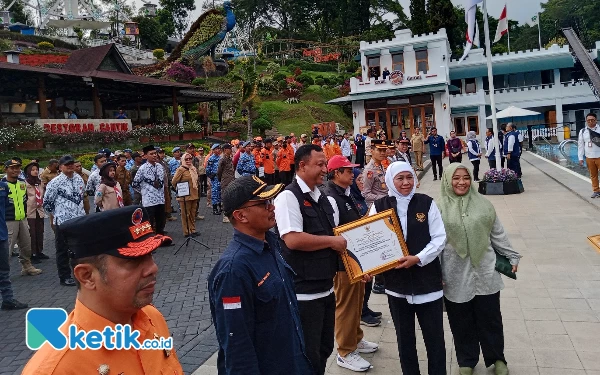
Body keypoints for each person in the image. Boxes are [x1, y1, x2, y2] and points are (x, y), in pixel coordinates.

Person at [21, 205, 183, 374]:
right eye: (134, 261)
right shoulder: (57, 368)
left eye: (151, 255)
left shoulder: (152, 318)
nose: (153, 268)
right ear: (87, 276)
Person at [209, 176, 312, 374]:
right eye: (263, 203)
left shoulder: (271, 245)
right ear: (241, 216)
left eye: (270, 201)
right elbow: (236, 344)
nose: (272, 207)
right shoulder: (233, 270)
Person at [439, 163, 521, 375]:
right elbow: (434, 245)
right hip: (454, 272)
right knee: (460, 319)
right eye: (456, 178)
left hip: (485, 270)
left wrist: (512, 255)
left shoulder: (483, 204)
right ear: (447, 180)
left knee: (490, 317)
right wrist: (436, 273)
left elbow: (497, 234)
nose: (461, 182)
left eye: (466, 177)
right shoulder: (438, 208)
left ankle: (497, 358)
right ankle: (467, 360)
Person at [367, 161, 447, 375]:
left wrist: (418, 258)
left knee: (435, 340)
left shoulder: (426, 203)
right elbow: (370, 241)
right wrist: (367, 267)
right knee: (405, 341)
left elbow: (439, 238)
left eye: (409, 177)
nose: (405, 183)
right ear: (390, 181)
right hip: (396, 286)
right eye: (400, 178)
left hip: (427, 283)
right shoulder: (379, 206)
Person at [274, 144, 348, 375]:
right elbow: (292, 239)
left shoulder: (322, 197)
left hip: (326, 288)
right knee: (308, 353)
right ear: (302, 165)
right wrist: (330, 242)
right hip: (304, 293)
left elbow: (337, 235)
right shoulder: (288, 197)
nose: (325, 169)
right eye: (320, 164)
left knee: (324, 348)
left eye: (325, 164)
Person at [323, 155, 379, 372]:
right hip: (342, 262)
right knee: (346, 306)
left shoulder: (345, 194)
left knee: (357, 301)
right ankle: (345, 351)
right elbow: (334, 234)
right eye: (348, 171)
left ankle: (356, 338)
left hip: (355, 259)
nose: (353, 174)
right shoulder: (330, 197)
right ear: (336, 173)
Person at [43, 155, 86, 286]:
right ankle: (64, 276)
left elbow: (82, 196)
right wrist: (59, 213)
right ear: (60, 167)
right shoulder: (55, 182)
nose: (70, 166)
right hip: (63, 222)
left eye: (71, 163)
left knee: (79, 249)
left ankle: (80, 274)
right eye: (67, 164)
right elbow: (47, 203)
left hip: (79, 220)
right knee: (62, 250)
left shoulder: (78, 178)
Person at [2, 159, 43, 276]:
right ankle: (4, 272)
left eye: (17, 168)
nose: (16, 170)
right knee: (8, 247)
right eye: (12, 168)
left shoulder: (22, 183)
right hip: (8, 220)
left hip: (23, 218)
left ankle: (27, 266)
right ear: (6, 169)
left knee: (26, 245)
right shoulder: (2, 185)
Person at [0, 177, 28, 310]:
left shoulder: (3, 187)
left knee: (4, 270)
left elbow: (5, 208)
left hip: (2, 234)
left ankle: (8, 300)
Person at [132, 146, 166, 235]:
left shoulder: (159, 166)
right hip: (149, 200)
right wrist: (145, 191)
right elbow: (135, 184)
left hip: (160, 198)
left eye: (155, 153)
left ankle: (160, 238)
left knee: (161, 220)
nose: (154, 155)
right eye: (151, 154)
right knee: (149, 221)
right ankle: (150, 240)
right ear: (145, 156)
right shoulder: (142, 168)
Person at [24, 162, 49, 263]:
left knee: (40, 231)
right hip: (30, 211)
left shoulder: (40, 182)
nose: (35, 171)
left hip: (39, 210)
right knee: (32, 233)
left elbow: (43, 194)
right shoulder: (25, 183)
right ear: (28, 172)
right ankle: (32, 253)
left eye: (36, 169)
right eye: (33, 170)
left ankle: (39, 251)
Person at [172, 153, 200, 237]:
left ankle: (193, 229)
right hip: (185, 196)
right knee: (185, 214)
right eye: (186, 159)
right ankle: (186, 231)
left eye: (190, 159)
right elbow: (174, 181)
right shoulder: (181, 169)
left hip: (194, 194)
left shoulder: (193, 168)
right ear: (183, 160)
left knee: (192, 213)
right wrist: (180, 189)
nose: (188, 160)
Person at [578, 113, 600, 198]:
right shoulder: (583, 131)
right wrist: (580, 157)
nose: (590, 122)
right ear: (586, 121)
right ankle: (596, 191)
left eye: (592, 120)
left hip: (599, 155)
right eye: (588, 120)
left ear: (596, 120)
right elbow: (581, 145)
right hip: (589, 157)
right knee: (593, 175)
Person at [217, 144, 235, 223]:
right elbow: (219, 171)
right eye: (229, 148)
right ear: (225, 150)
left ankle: (230, 213)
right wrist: (221, 179)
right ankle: (225, 215)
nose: (231, 150)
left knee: (231, 197)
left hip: (231, 180)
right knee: (225, 197)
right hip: (225, 181)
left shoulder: (229, 158)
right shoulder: (223, 159)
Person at [206, 144, 223, 215]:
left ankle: (220, 206)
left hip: (220, 178)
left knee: (219, 192)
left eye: (219, 149)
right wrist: (211, 176)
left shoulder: (220, 157)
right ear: (213, 150)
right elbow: (207, 170)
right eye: (216, 149)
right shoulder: (211, 158)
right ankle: (214, 208)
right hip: (214, 178)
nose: (218, 150)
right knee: (215, 193)